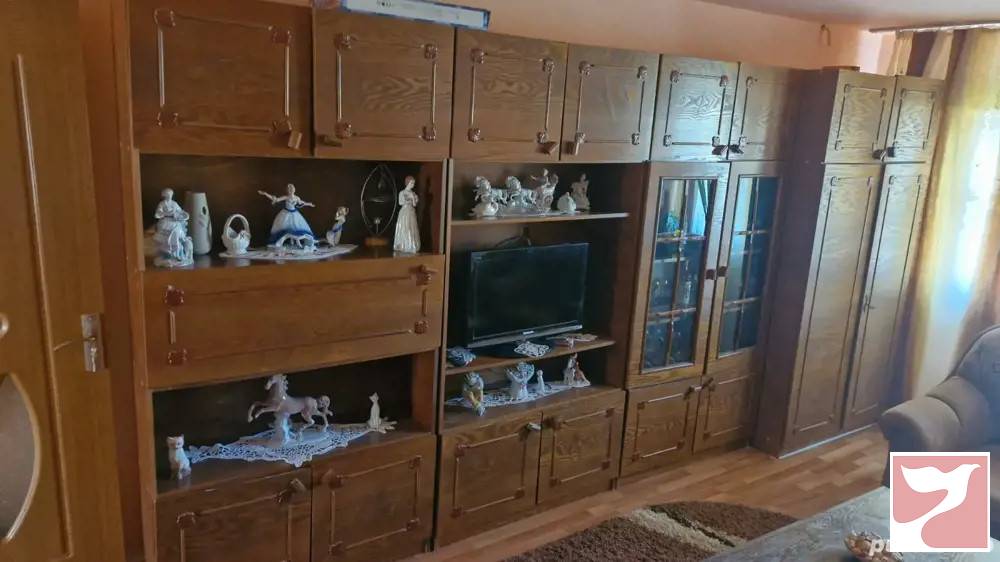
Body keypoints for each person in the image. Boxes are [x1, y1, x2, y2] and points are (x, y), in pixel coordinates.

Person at [393, 176, 420, 253]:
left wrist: (413, 198)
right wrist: (408, 199)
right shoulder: (402, 193)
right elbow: (400, 202)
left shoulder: (413, 193)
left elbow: (414, 204)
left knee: (411, 227)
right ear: (407, 183)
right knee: (405, 227)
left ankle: (411, 245)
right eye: (411, 183)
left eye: (413, 183)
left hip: (411, 211)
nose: (413, 185)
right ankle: (403, 244)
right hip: (404, 211)